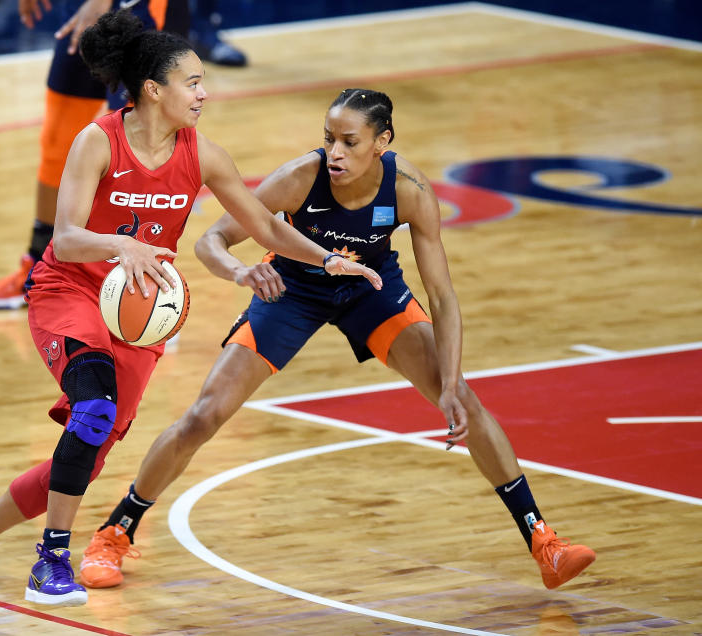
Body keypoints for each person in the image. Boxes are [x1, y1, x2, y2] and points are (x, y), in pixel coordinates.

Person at [0, 12, 382, 611]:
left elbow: (265, 224)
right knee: (92, 411)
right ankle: (51, 560)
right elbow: (63, 239)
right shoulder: (98, 140)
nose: (203, 92)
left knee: (83, 460)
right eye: (192, 83)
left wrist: (327, 260)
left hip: (139, 317)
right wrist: (123, 245)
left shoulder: (204, 155)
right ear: (153, 90)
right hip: (70, 291)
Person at [77, 88, 598, 591]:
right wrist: (241, 273)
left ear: (382, 142)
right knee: (204, 415)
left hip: (370, 290)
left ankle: (543, 541)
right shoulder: (300, 179)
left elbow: (443, 298)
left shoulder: (410, 190)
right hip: (293, 289)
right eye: (329, 138)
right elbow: (212, 239)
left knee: (463, 398)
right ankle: (116, 530)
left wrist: (449, 382)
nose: (335, 152)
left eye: (350, 141)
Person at [0, 0, 190, 309]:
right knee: (58, 142)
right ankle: (38, 268)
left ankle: (151, 290)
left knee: (137, 145)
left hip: (139, 9)